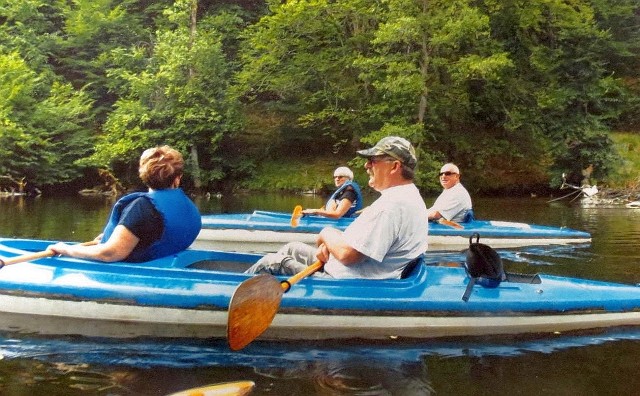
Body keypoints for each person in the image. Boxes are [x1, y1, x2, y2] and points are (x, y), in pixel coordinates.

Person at [245, 136, 428, 279]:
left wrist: (326, 233)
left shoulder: (391, 206)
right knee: (292, 248)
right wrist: (331, 246)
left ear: (394, 166)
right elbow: (353, 247)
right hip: (346, 269)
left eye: (373, 160)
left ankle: (232, 298)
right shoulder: (409, 197)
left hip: (344, 280)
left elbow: (347, 255)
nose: (367, 165)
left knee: (272, 263)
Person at [48, 145, 201, 262]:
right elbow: (151, 234)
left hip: (139, 273)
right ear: (178, 178)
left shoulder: (142, 208)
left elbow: (109, 253)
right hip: (166, 263)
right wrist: (112, 237)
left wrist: (65, 249)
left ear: (143, 175)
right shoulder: (187, 205)